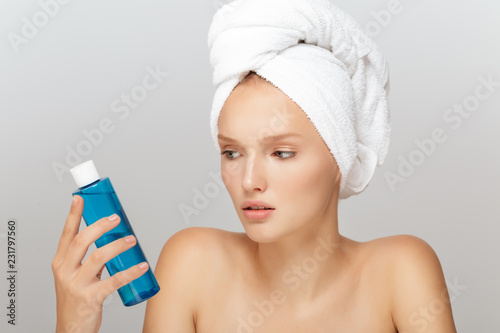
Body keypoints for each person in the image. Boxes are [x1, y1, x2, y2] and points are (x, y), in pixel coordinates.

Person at [52, 1, 458, 332]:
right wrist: (74, 324)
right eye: (232, 153)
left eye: (281, 153)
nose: (249, 181)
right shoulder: (193, 263)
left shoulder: (399, 272)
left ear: (340, 158)